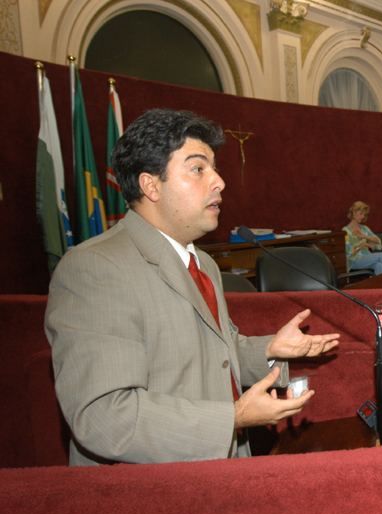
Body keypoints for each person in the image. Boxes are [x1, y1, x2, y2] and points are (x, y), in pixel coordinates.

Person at [45, 109, 339, 466]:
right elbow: (103, 416)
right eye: (199, 169)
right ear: (150, 185)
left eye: (214, 168)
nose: (219, 181)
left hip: (225, 469)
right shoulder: (94, 267)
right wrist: (232, 418)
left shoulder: (203, 263)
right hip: (153, 495)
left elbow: (210, 356)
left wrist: (271, 351)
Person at [343, 201, 382, 275]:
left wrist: (365, 236)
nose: (363, 216)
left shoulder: (364, 228)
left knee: (380, 265)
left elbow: (378, 242)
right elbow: (349, 254)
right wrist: (363, 244)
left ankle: (381, 286)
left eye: (364, 214)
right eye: (360, 214)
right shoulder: (345, 231)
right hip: (354, 260)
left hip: (367, 257)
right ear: (353, 213)